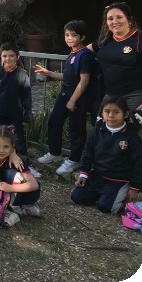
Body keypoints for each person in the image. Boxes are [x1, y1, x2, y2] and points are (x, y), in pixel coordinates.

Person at [35, 20, 93, 176]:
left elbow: (84, 81)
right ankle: (55, 153)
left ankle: (75, 159)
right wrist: (48, 73)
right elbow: (67, 77)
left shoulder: (84, 55)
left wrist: (73, 100)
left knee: (76, 129)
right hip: (65, 94)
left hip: (77, 97)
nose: (69, 38)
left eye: (74, 35)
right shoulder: (72, 53)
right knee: (54, 121)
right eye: (67, 35)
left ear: (82, 37)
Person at [71, 95, 142, 213]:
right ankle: (103, 195)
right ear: (102, 113)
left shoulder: (132, 136)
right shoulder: (97, 131)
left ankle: (119, 197)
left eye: (116, 112)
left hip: (119, 180)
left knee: (106, 207)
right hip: (98, 176)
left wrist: (135, 187)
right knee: (77, 197)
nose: (111, 116)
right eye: (107, 111)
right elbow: (88, 153)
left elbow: (139, 163)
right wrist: (83, 173)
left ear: (125, 114)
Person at [90, 1, 142, 114]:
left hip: (135, 96)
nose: (114, 21)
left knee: (129, 124)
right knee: (103, 124)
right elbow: (85, 50)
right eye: (110, 19)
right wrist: (74, 58)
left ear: (129, 20)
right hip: (110, 95)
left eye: (119, 17)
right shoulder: (105, 40)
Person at [0, 125, 41, 227]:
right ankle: (23, 207)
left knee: (12, 174)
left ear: (12, 147)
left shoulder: (16, 162)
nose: (1, 150)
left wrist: (9, 188)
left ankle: (15, 210)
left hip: (23, 192)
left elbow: (34, 184)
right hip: (2, 190)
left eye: (6, 147)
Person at [0, 42, 32, 157]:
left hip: (16, 115)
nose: (8, 59)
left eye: (11, 55)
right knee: (0, 139)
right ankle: (0, 161)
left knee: (18, 140)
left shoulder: (23, 75)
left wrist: (27, 114)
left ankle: (23, 161)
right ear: (1, 57)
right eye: (5, 56)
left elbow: (27, 97)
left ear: (17, 57)